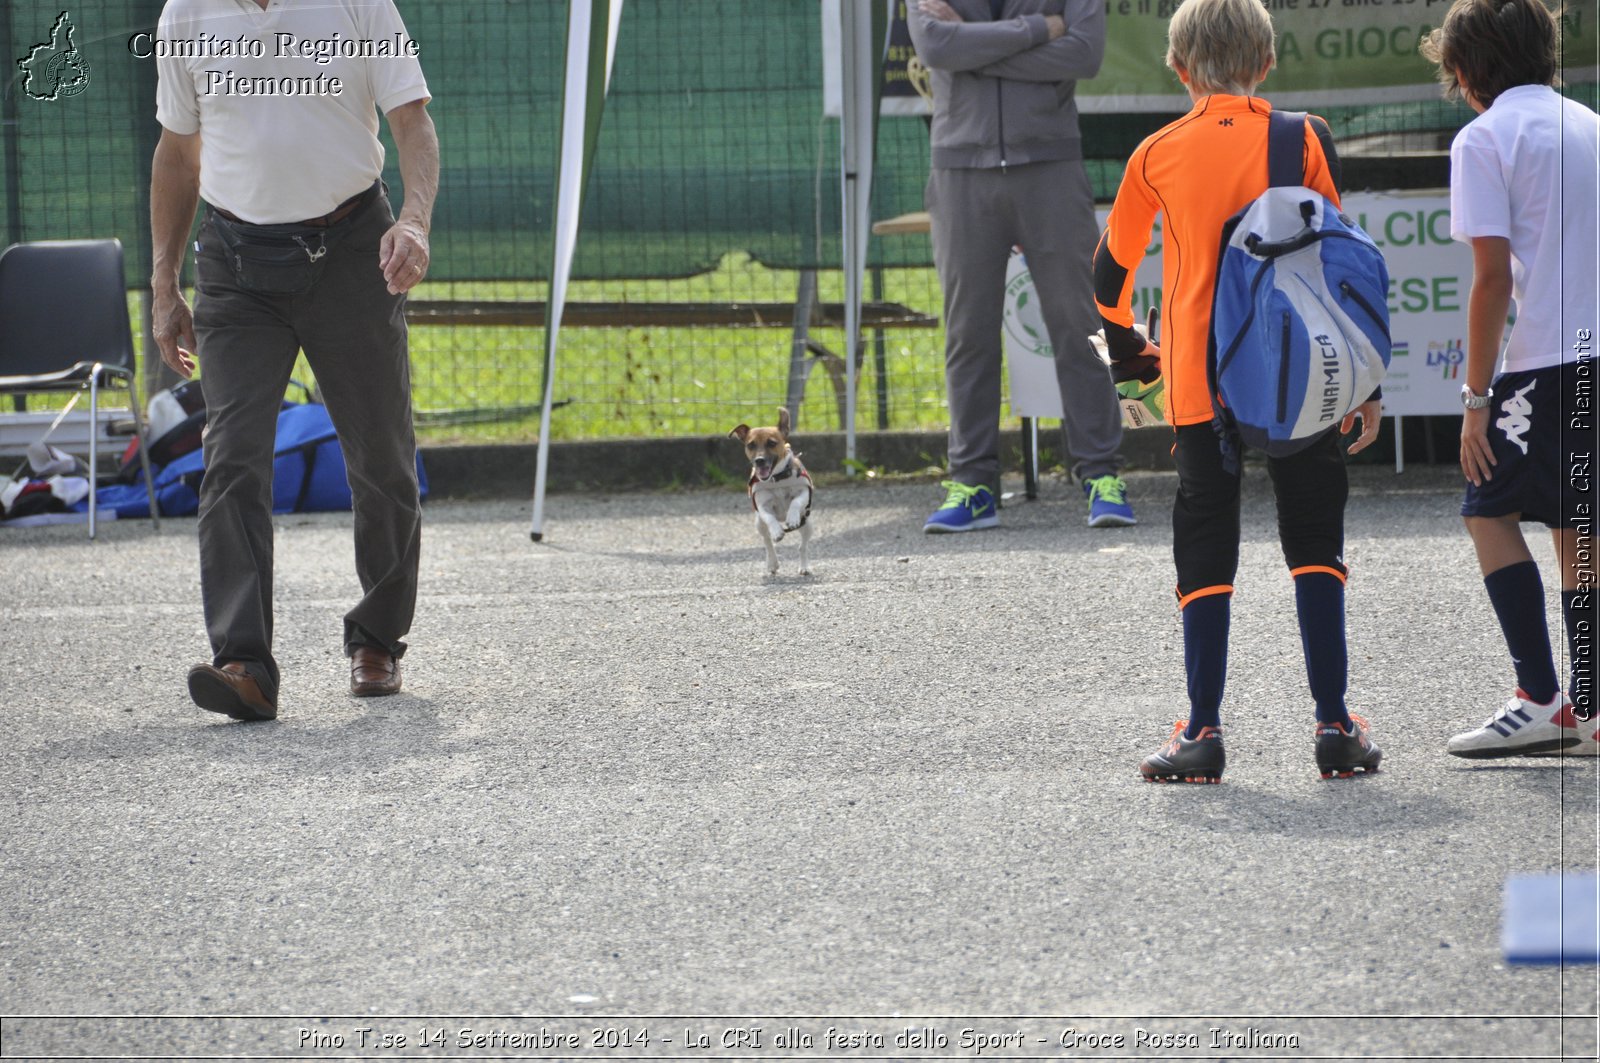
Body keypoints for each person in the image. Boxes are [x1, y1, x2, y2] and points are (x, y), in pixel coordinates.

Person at [1093, 0, 1384, 782]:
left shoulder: (1156, 152)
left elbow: (1108, 277)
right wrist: (1363, 379)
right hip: (1300, 371)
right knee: (1315, 540)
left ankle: (1202, 732)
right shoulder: (1303, 138)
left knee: (1205, 542)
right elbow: (1340, 264)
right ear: (1265, 63)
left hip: (1197, 381)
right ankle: (1334, 726)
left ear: (1180, 69)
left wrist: (1130, 349)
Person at [148, 0, 439, 721]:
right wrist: (163, 281)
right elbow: (177, 154)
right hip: (236, 264)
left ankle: (377, 636)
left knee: (381, 454)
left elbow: (412, 121)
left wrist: (415, 221)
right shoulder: (185, 12)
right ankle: (243, 661)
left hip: (351, 247)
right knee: (233, 454)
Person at [1419, 0, 1600, 758]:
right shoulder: (1590, 124)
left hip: (1544, 362)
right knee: (1578, 528)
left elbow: (1490, 280)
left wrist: (1475, 399)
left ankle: (1540, 695)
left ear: (1466, 72)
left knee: (1486, 508)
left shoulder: (1484, 138)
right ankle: (1589, 709)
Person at [907, 0, 1135, 533]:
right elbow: (937, 47)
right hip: (960, 169)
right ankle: (972, 483)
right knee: (969, 334)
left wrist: (977, 49)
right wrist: (1036, 31)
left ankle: (1101, 475)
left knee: (1082, 326)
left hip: (1052, 166)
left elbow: (1084, 53)